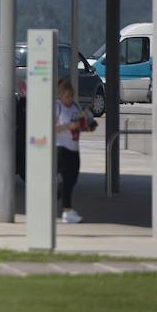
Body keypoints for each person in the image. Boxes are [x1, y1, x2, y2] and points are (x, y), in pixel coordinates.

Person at [55, 77, 92, 224]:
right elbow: (50, 128)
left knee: (73, 178)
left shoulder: (76, 106)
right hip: (62, 147)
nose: (69, 99)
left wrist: (85, 124)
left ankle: (53, 200)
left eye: (71, 96)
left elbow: (84, 125)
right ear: (61, 95)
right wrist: (67, 127)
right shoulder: (57, 107)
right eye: (66, 96)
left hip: (74, 148)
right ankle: (67, 210)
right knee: (66, 179)